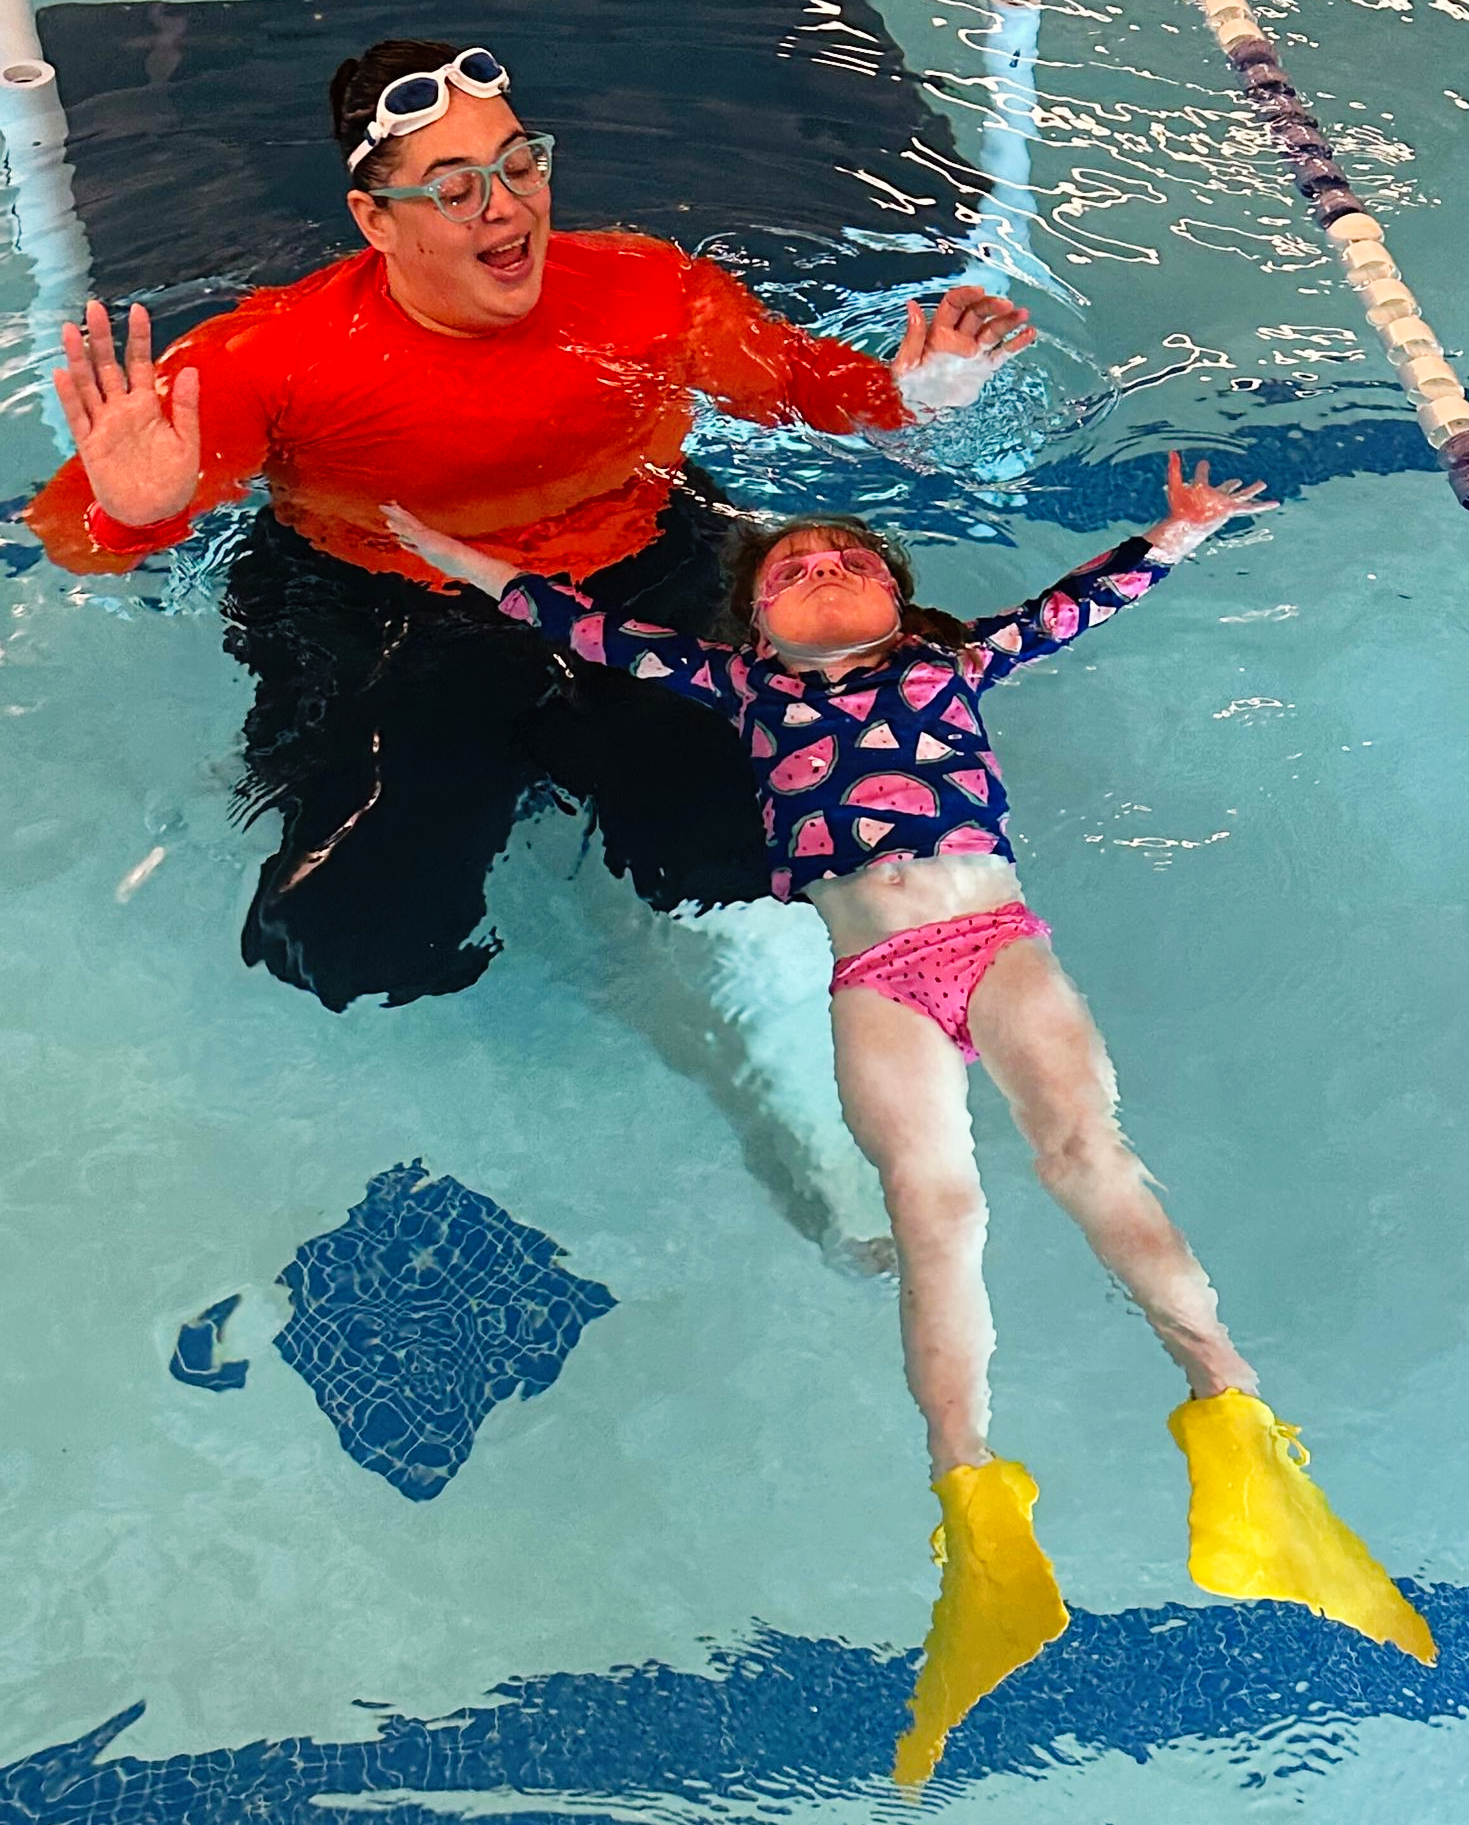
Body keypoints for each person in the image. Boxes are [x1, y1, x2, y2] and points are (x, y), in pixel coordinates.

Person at [383, 452, 1436, 1781]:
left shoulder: (952, 668)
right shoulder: (740, 687)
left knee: (1081, 1149)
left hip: (994, 941)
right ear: (752, 623)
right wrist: (447, 545)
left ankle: (1239, 1425)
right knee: (932, 1218)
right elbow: (580, 628)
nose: (823, 567)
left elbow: (1074, 605)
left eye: (852, 560)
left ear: (901, 602)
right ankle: (976, 1520)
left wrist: (1171, 536)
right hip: (872, 973)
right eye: (793, 566)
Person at [24, 36, 1034, 1015]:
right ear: (376, 221)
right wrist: (135, 512)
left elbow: (804, 387)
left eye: (519, 163)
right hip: (389, 613)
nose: (506, 206)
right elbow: (71, 536)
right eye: (456, 187)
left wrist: (918, 393)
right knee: (355, 949)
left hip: (642, 572)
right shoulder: (269, 358)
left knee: (757, 871)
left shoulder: (648, 292)